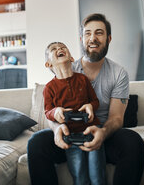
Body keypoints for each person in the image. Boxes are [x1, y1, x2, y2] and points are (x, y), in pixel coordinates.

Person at [27, 13, 144, 185]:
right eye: (88, 33)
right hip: (70, 135)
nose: (93, 38)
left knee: (133, 142)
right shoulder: (67, 67)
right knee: (36, 143)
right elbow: (50, 111)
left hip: (103, 133)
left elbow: (116, 118)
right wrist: (57, 128)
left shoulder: (118, 73)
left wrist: (102, 133)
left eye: (99, 33)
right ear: (81, 39)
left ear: (109, 38)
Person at [43, 41, 106, 185]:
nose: (59, 49)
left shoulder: (83, 79)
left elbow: (95, 101)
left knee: (97, 175)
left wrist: (90, 106)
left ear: (71, 58)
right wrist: (56, 111)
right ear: (48, 64)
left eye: (63, 47)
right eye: (54, 49)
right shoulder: (49, 88)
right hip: (70, 137)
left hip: (91, 132)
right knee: (79, 176)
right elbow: (48, 111)